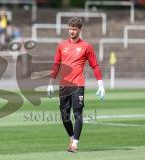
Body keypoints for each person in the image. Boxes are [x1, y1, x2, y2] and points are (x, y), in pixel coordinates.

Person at [47, 17, 105, 153]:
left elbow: (95, 66)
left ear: (79, 30)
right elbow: (56, 65)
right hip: (64, 85)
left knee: (78, 114)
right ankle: (72, 137)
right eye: (70, 29)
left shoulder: (86, 47)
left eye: (74, 29)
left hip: (78, 85)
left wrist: (100, 84)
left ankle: (75, 144)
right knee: (64, 115)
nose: (71, 31)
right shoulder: (61, 45)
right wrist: (50, 84)